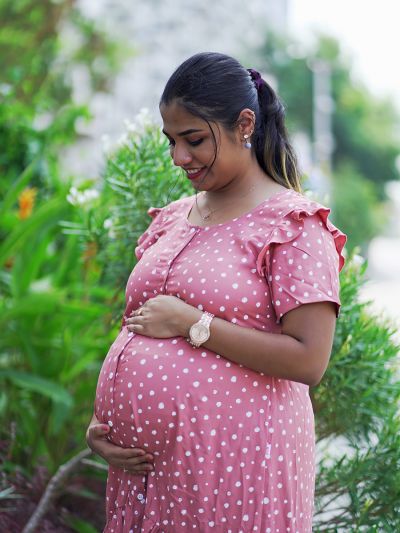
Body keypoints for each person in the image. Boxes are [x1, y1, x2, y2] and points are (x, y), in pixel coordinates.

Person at [86, 52, 347, 533]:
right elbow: (141, 328)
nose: (178, 158)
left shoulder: (292, 225)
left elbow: (310, 359)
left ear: (244, 124)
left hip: (234, 467)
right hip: (141, 472)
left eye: (194, 140)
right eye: (171, 141)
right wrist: (107, 425)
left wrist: (192, 324)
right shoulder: (173, 216)